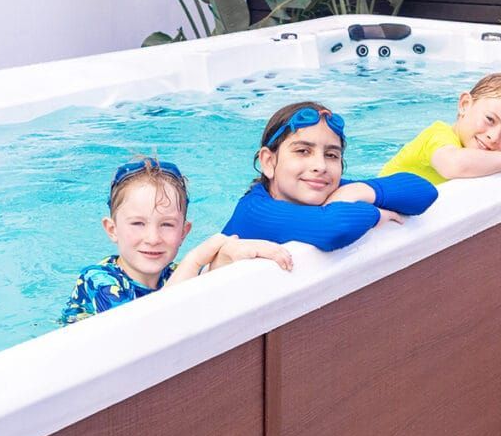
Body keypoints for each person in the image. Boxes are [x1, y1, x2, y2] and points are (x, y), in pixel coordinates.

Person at [62, 158, 291, 323]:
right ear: (112, 230)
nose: (153, 239)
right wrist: (196, 259)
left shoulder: (172, 274)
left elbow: (210, 283)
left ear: (184, 232)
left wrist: (232, 251)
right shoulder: (97, 279)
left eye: (167, 224)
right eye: (138, 224)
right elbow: (140, 332)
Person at [222, 101, 438, 252]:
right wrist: (376, 214)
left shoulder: (329, 189)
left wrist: (358, 191)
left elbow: (423, 192)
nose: (320, 166)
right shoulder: (254, 211)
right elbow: (334, 227)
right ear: (269, 162)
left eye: (331, 155)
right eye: (302, 151)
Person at [379, 72, 501, 190]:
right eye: (490, 119)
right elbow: (453, 165)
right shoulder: (438, 134)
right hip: (377, 202)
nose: (494, 137)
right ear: (465, 105)